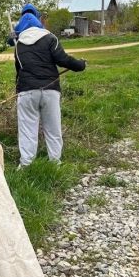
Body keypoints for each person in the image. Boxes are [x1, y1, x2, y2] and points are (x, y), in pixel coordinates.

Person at [14, 13, 86, 167]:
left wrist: (17, 91)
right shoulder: (50, 38)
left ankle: (26, 165)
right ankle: (55, 163)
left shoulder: (18, 44)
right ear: (39, 24)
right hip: (50, 90)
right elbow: (63, 59)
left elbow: (18, 71)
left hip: (27, 92)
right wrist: (80, 65)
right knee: (53, 128)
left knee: (27, 130)